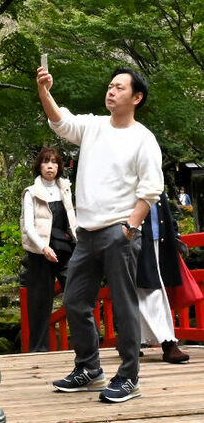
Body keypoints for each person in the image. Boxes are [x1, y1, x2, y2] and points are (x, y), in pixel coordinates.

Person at [38, 66, 164, 403]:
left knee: (123, 305)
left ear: (136, 97)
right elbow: (60, 121)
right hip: (87, 233)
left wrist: (130, 227)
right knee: (76, 301)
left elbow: (151, 189)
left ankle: (129, 377)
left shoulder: (143, 138)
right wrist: (45, 91)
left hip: (119, 231)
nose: (111, 91)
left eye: (119, 87)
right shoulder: (93, 127)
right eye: (110, 85)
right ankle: (90, 368)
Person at [20, 146, 77, 352]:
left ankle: (86, 341)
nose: (50, 166)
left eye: (53, 162)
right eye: (45, 162)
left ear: (59, 166)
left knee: (76, 291)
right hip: (39, 252)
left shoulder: (65, 188)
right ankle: (39, 349)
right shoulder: (31, 193)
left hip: (64, 248)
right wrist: (43, 247)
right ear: (39, 166)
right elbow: (28, 225)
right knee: (39, 302)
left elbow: (72, 219)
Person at [137, 195, 190, 364]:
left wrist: (174, 235)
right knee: (149, 291)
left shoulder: (154, 179)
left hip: (159, 241)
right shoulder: (127, 177)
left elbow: (164, 211)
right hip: (135, 240)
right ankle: (168, 343)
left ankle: (129, 340)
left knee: (148, 290)